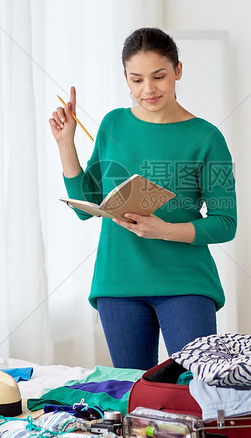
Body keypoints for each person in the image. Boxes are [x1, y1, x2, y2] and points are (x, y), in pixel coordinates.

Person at [48, 27, 237, 370]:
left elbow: (225, 223)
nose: (147, 90)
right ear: (125, 78)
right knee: (135, 392)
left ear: (178, 71)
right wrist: (65, 143)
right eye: (136, 80)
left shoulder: (207, 137)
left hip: (185, 282)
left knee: (197, 387)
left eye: (159, 76)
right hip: (117, 282)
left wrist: (164, 230)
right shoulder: (112, 124)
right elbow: (85, 205)